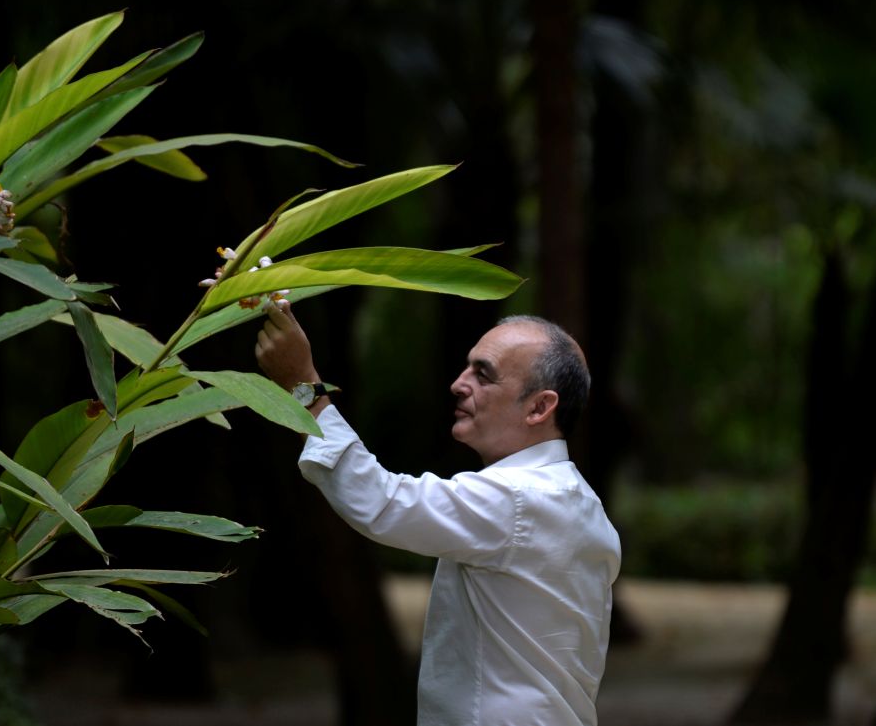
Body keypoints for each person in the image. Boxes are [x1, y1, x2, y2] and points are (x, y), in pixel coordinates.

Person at [254, 301, 622, 726]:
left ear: (539, 408)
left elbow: (380, 501)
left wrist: (304, 386)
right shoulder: (580, 503)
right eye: (467, 368)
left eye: (483, 375)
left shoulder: (517, 498)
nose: (458, 384)